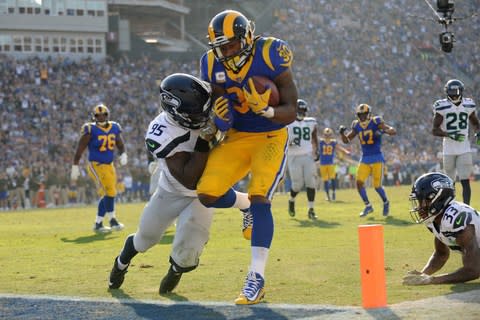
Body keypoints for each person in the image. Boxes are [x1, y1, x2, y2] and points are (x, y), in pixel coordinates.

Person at [108, 73, 250, 295]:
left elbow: (224, 91)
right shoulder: (162, 132)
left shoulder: (205, 96)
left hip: (203, 193)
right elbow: (188, 178)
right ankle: (122, 262)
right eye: (197, 112)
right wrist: (204, 140)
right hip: (173, 189)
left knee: (188, 251)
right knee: (146, 238)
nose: (205, 114)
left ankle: (175, 272)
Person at [197, 9, 298, 305]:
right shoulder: (210, 62)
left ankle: (256, 278)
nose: (226, 52)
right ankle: (244, 207)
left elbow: (291, 108)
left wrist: (268, 111)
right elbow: (217, 98)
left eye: (230, 45)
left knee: (261, 197)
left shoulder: (271, 53)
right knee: (206, 193)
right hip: (237, 137)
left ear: (247, 37)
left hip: (270, 134)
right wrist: (219, 113)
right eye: (221, 47)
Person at [402, 172, 480, 285]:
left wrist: (432, 280)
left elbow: (473, 270)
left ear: (439, 198)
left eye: (425, 200)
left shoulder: (457, 218)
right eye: (419, 201)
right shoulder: (436, 219)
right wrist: (423, 275)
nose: (420, 207)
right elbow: (441, 254)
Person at [71, 103, 127, 233]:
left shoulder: (114, 127)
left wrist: (123, 153)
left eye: (104, 114)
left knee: (110, 193)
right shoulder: (90, 130)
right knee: (110, 192)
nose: (101, 117)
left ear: (108, 115)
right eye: (98, 115)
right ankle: (112, 220)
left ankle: (98, 223)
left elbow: (120, 143)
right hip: (96, 165)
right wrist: (75, 166)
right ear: (94, 116)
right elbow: (80, 149)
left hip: (109, 165)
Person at [339, 103, 396, 217]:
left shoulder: (376, 121)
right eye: (360, 115)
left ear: (369, 114)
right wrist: (342, 134)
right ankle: (368, 206)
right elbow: (347, 140)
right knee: (359, 182)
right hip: (365, 158)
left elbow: (392, 130)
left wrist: (385, 131)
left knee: (377, 186)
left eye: (364, 114)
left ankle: (385, 202)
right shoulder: (356, 125)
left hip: (377, 157)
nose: (363, 117)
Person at [431, 79, 480, 205]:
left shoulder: (468, 104)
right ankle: (449, 207)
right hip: (448, 149)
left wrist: (477, 131)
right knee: (449, 182)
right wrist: (450, 134)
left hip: (464, 149)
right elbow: (434, 130)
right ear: (447, 92)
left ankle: (466, 208)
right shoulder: (442, 106)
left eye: (456, 91)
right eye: (451, 92)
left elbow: (475, 122)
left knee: (465, 181)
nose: (454, 94)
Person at [286, 99, 318, 219]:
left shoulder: (311, 122)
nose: (301, 112)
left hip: (308, 155)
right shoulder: (287, 123)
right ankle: (292, 200)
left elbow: (314, 137)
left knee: (311, 182)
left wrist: (317, 150)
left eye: (303, 110)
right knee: (297, 185)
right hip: (293, 156)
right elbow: (282, 139)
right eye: (299, 110)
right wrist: (289, 142)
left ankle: (311, 209)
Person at [318, 127, 350, 202]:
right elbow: (339, 148)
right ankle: (329, 195)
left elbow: (338, 147)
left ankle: (332, 194)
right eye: (327, 135)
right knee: (327, 180)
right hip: (325, 163)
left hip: (328, 163)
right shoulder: (324, 142)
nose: (327, 136)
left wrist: (345, 151)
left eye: (328, 135)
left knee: (331, 179)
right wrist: (345, 151)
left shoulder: (325, 142)